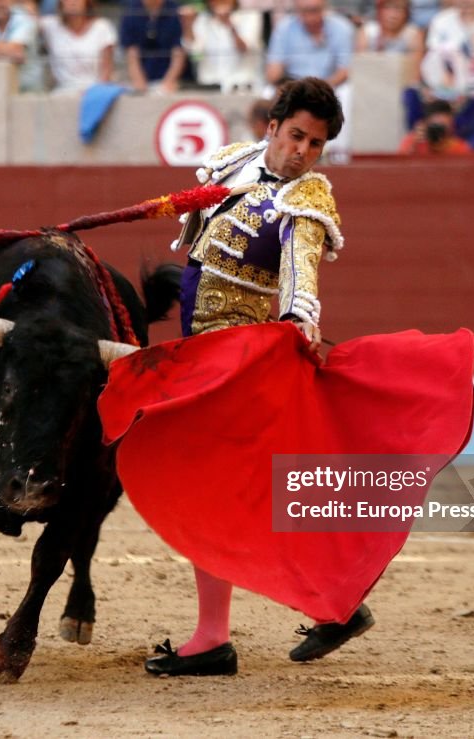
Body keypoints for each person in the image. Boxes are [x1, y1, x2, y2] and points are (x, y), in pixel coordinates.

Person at [139, 78, 379, 677]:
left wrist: (301, 323)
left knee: (217, 490)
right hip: (202, 349)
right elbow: (195, 243)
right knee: (237, 491)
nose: (303, 151)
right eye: (296, 135)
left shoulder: (309, 198)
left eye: (316, 143)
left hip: (241, 356)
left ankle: (220, 636)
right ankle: (327, 608)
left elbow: (301, 275)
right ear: (271, 128)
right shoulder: (231, 162)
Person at [264, 0, 354, 87]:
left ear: (324, 7)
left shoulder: (341, 28)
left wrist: (319, 89)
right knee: (267, 94)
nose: (310, 16)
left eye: (314, 10)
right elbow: (273, 72)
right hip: (292, 86)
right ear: (297, 9)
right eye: (304, 11)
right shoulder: (284, 28)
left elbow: (343, 72)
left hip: (329, 86)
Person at [180, 0, 262, 92]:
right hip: (209, 86)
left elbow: (246, 48)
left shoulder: (250, 15)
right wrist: (188, 25)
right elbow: (193, 51)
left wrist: (229, 25)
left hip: (241, 87)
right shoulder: (203, 19)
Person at [38, 0, 115, 92]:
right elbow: (27, 19)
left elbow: (106, 71)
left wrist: (95, 94)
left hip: (94, 94)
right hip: (62, 93)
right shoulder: (51, 25)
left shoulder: (102, 27)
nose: (73, 2)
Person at [119, 0, 186, 93]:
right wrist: (140, 84)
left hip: (171, 82)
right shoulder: (131, 12)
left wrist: (168, 82)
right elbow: (131, 53)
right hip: (141, 79)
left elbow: (179, 51)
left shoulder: (175, 11)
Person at [398, 98, 471, 154]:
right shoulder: (415, 139)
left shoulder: (459, 147)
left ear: (452, 125)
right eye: (435, 126)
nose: (438, 131)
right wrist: (414, 143)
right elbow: (401, 163)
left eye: (443, 126)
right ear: (426, 124)